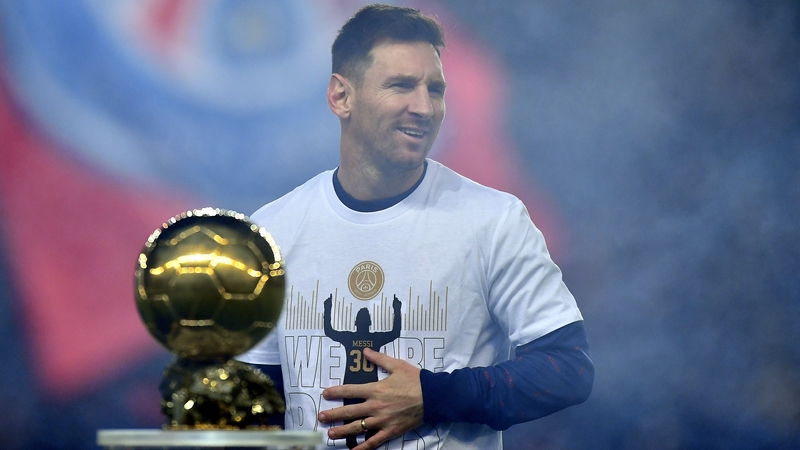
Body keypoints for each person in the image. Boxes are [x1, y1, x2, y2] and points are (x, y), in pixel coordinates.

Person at [239, 4, 594, 449]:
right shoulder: (272, 229)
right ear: (340, 96)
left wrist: (432, 396)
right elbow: (257, 400)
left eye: (436, 89)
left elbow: (568, 370)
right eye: (401, 86)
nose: (425, 107)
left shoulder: (494, 221)